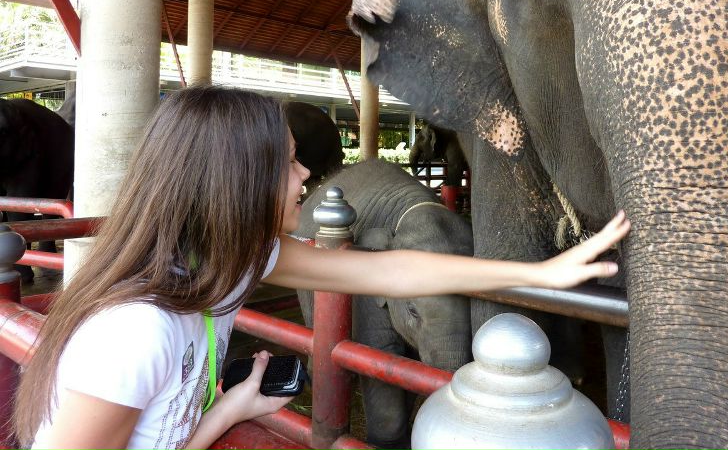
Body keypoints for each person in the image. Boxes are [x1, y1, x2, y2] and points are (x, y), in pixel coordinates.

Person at [13, 86, 630, 450]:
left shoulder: (226, 264)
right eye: (288, 162)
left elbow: (390, 273)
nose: (306, 174)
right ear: (238, 184)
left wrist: (542, 274)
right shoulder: (134, 332)